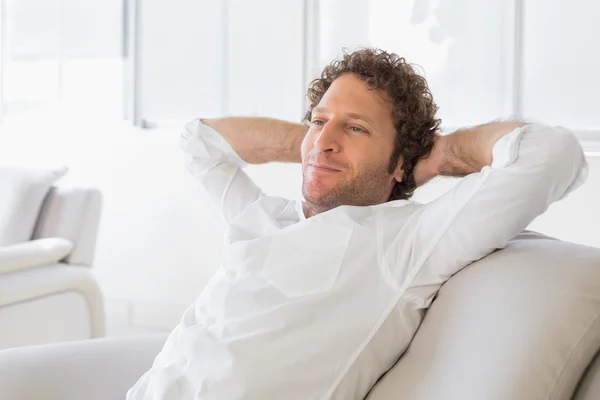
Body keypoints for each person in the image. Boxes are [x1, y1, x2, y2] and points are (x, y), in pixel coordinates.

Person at [127, 48, 588, 399]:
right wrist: (318, 144)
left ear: (400, 163)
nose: (325, 139)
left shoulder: (404, 242)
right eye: (318, 120)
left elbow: (552, 154)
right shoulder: (262, 217)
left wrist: (439, 154)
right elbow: (198, 142)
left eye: (357, 128)